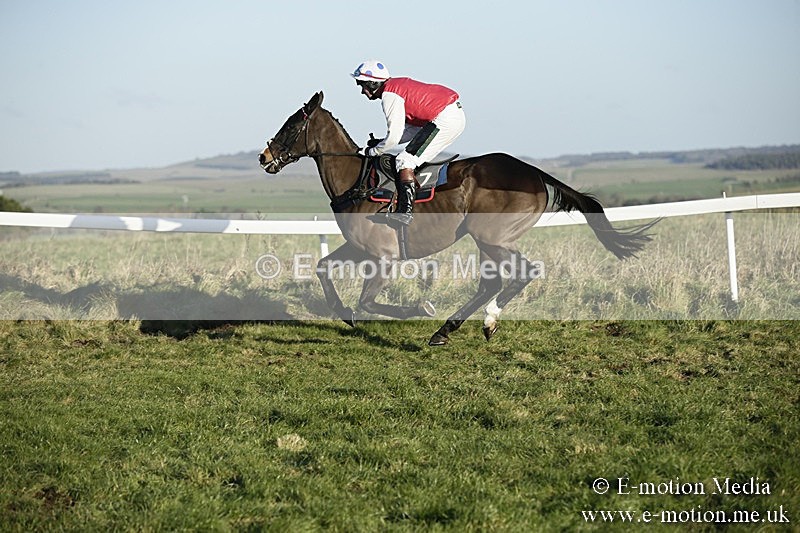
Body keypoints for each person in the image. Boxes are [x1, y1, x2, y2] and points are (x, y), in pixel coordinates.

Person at [351, 60, 465, 226]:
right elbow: (410, 131)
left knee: (404, 160)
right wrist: (381, 143)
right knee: (406, 158)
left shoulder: (389, 95)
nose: (362, 91)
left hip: (445, 118)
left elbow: (395, 136)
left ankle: (405, 212)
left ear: (373, 83)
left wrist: (373, 151)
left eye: (362, 85)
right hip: (448, 115)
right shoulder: (396, 87)